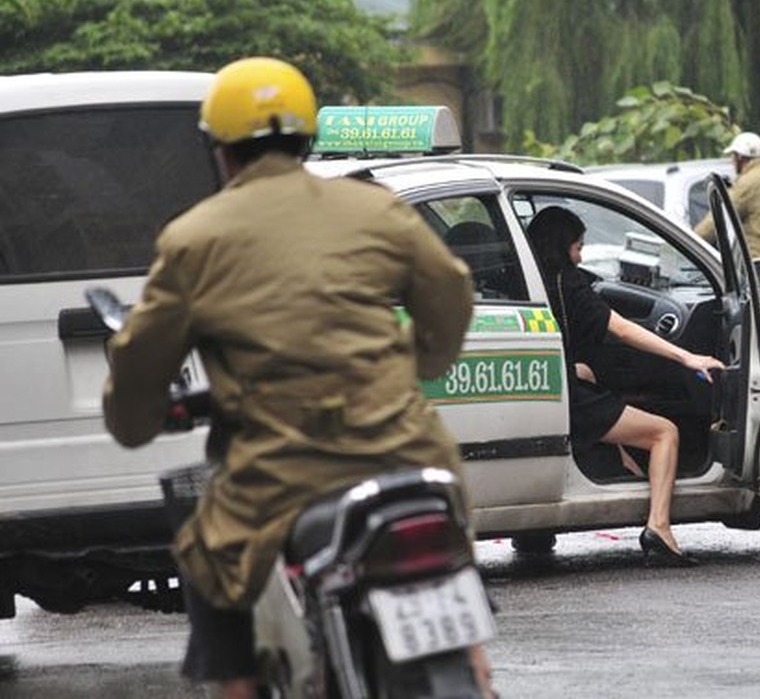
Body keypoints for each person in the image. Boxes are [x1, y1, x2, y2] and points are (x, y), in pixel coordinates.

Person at [101, 57, 491, 697]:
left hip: (280, 476)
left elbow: (143, 367)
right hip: (409, 453)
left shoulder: (195, 238)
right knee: (446, 547)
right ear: (307, 136)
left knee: (205, 550)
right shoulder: (374, 208)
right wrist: (417, 365)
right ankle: (474, 659)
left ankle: (239, 687)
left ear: (219, 152)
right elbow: (450, 291)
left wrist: (134, 418)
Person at [525, 206, 725, 566]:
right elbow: (622, 329)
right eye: (577, 247)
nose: (581, 256)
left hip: (551, 385)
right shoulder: (569, 282)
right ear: (562, 247)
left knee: (596, 388)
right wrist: (686, 357)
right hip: (568, 398)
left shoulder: (528, 278)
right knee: (665, 432)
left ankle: (538, 533)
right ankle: (659, 528)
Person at [694, 131, 760, 257]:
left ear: (740, 157)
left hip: (755, 255)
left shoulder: (749, 181)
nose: (732, 161)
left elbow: (719, 217)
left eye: (733, 156)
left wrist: (694, 241)